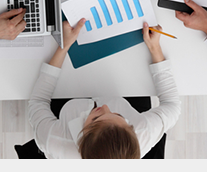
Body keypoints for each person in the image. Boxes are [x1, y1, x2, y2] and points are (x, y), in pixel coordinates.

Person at [28, 19, 181, 158]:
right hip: (120, 89)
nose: (106, 107)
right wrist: (155, 49)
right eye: (119, 115)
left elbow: (38, 102)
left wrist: (64, 46)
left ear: (82, 137)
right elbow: (172, 106)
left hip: (66, 103)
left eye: (96, 119)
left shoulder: (54, 140)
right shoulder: (142, 133)